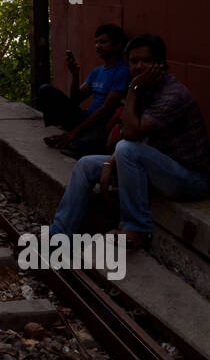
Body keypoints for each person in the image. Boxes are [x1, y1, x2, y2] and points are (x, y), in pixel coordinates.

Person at [50, 34, 210, 250]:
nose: (139, 66)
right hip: (158, 167)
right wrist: (110, 163)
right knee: (86, 165)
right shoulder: (144, 90)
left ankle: (136, 230)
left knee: (126, 148)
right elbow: (130, 137)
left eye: (147, 60)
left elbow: (132, 137)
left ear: (161, 64)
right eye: (134, 61)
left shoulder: (173, 95)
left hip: (189, 179)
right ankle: (59, 234)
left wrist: (133, 89)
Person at [39, 24, 130, 157]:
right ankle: (75, 136)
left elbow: (106, 110)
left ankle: (76, 139)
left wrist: (73, 133)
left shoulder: (122, 71)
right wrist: (75, 76)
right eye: (96, 42)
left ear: (118, 45)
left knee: (79, 148)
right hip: (87, 118)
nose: (98, 46)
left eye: (103, 42)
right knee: (45, 90)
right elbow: (75, 99)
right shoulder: (97, 71)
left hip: (103, 124)